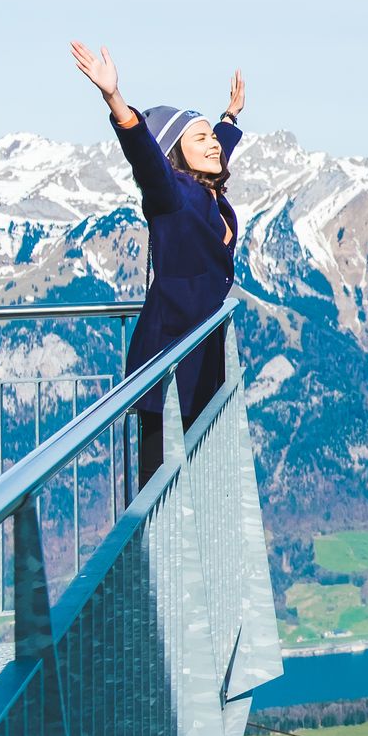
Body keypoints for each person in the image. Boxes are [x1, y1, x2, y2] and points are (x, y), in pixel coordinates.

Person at [70, 41, 246, 484]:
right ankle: (150, 552)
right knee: (160, 485)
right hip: (166, 363)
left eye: (212, 139)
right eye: (200, 139)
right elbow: (147, 158)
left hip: (199, 357)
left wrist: (228, 118)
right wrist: (115, 99)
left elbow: (213, 146)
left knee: (199, 473)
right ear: (176, 153)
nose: (214, 146)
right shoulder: (172, 195)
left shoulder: (207, 189)